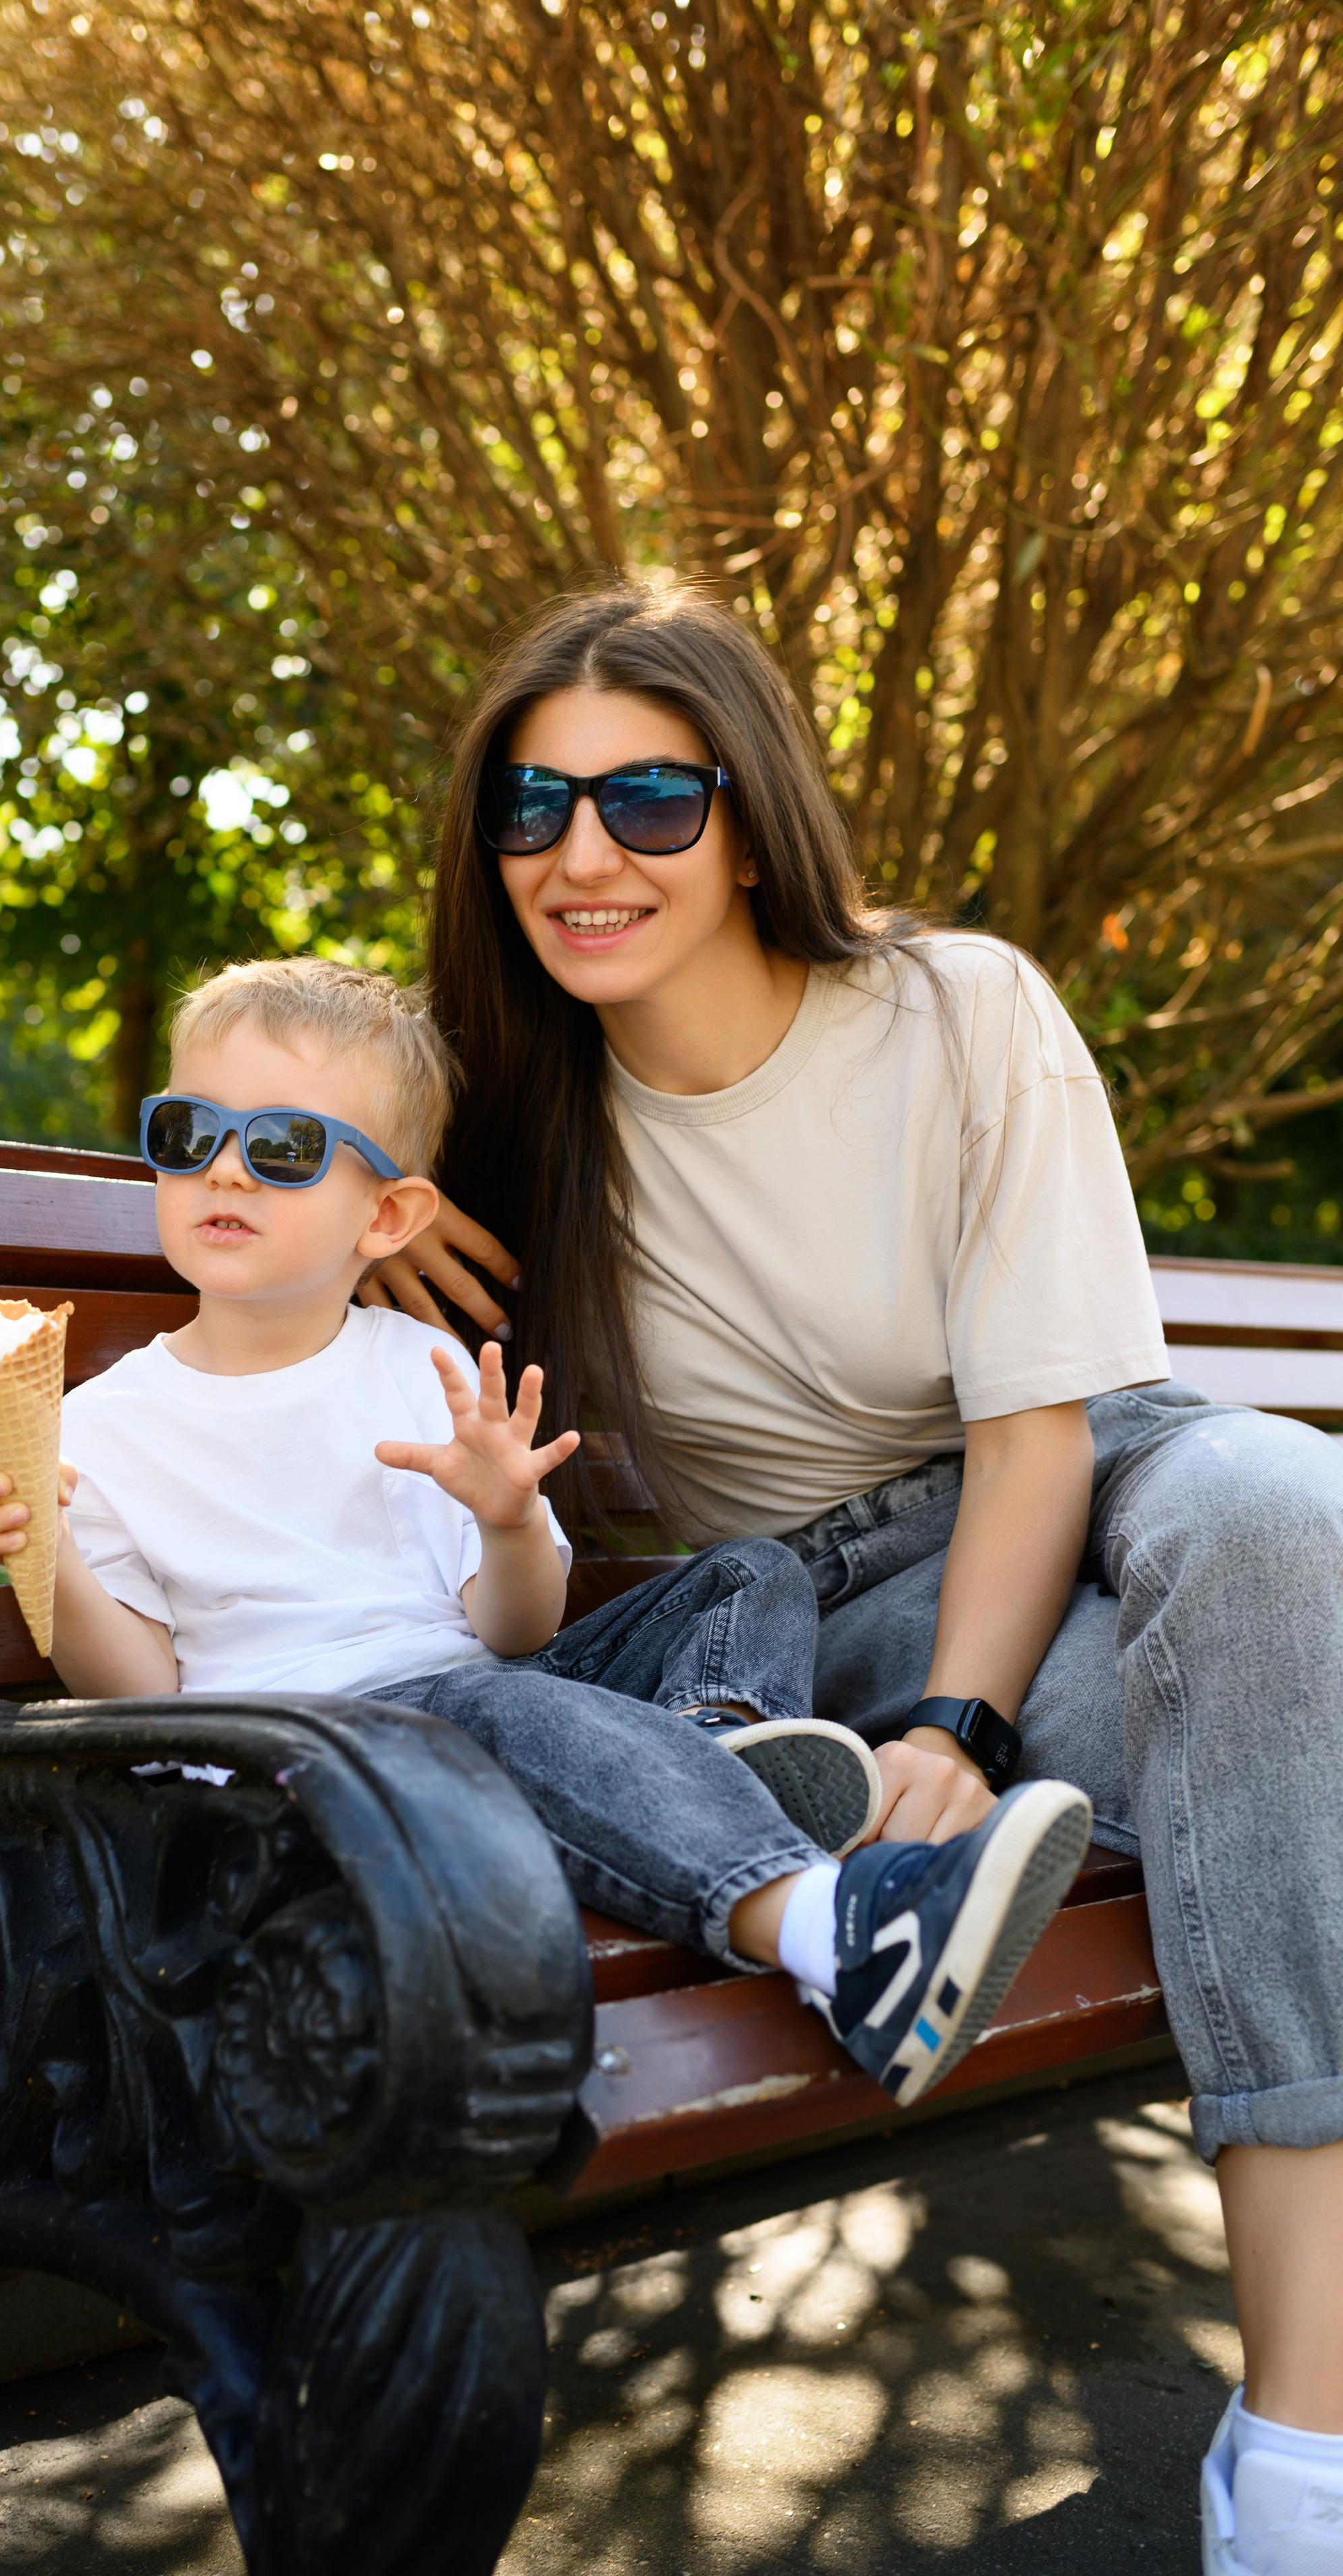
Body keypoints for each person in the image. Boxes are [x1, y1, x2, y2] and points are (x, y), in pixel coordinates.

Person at [356, 584, 1343, 2576]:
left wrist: (966, 1730)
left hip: (1094, 1481)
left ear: (750, 810)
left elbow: (1037, 1432)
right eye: (532, 811)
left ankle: (1302, 2442)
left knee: (1280, 1528)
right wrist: (340, 1206)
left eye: (649, 798)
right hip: (833, 1597)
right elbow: (252, 1159)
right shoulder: (509, 1117)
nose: (583, 854)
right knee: (1278, 1740)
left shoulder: (960, 1008)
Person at [0, 953, 1091, 2116]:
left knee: (749, 1574)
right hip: (298, 1768)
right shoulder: (96, 1430)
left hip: (482, 1696)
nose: (224, 1169)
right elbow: (142, 1689)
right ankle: (845, 1941)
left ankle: (711, 1748)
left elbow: (518, 1627)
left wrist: (502, 1520)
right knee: (495, 1707)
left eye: (284, 1148)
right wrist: (46, 1550)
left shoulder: (423, 1371)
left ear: (387, 1215)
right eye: (188, 1132)